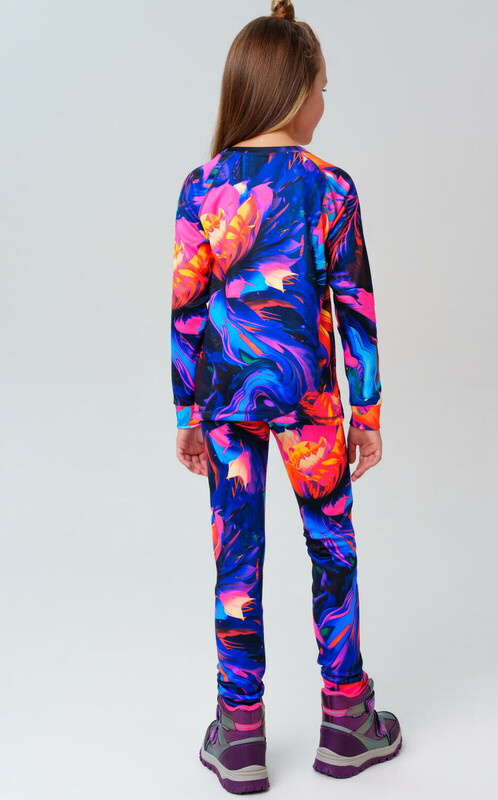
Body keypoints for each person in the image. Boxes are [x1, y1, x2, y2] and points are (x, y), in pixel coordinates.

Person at [170, 1, 402, 793]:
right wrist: (366, 413)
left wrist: (186, 412)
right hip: (311, 404)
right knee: (331, 547)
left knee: (236, 558)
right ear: (295, 91)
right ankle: (347, 720)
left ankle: (239, 735)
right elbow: (356, 307)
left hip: (226, 400)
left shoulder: (201, 188)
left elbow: (187, 309)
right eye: (323, 87)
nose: (325, 102)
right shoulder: (329, 186)